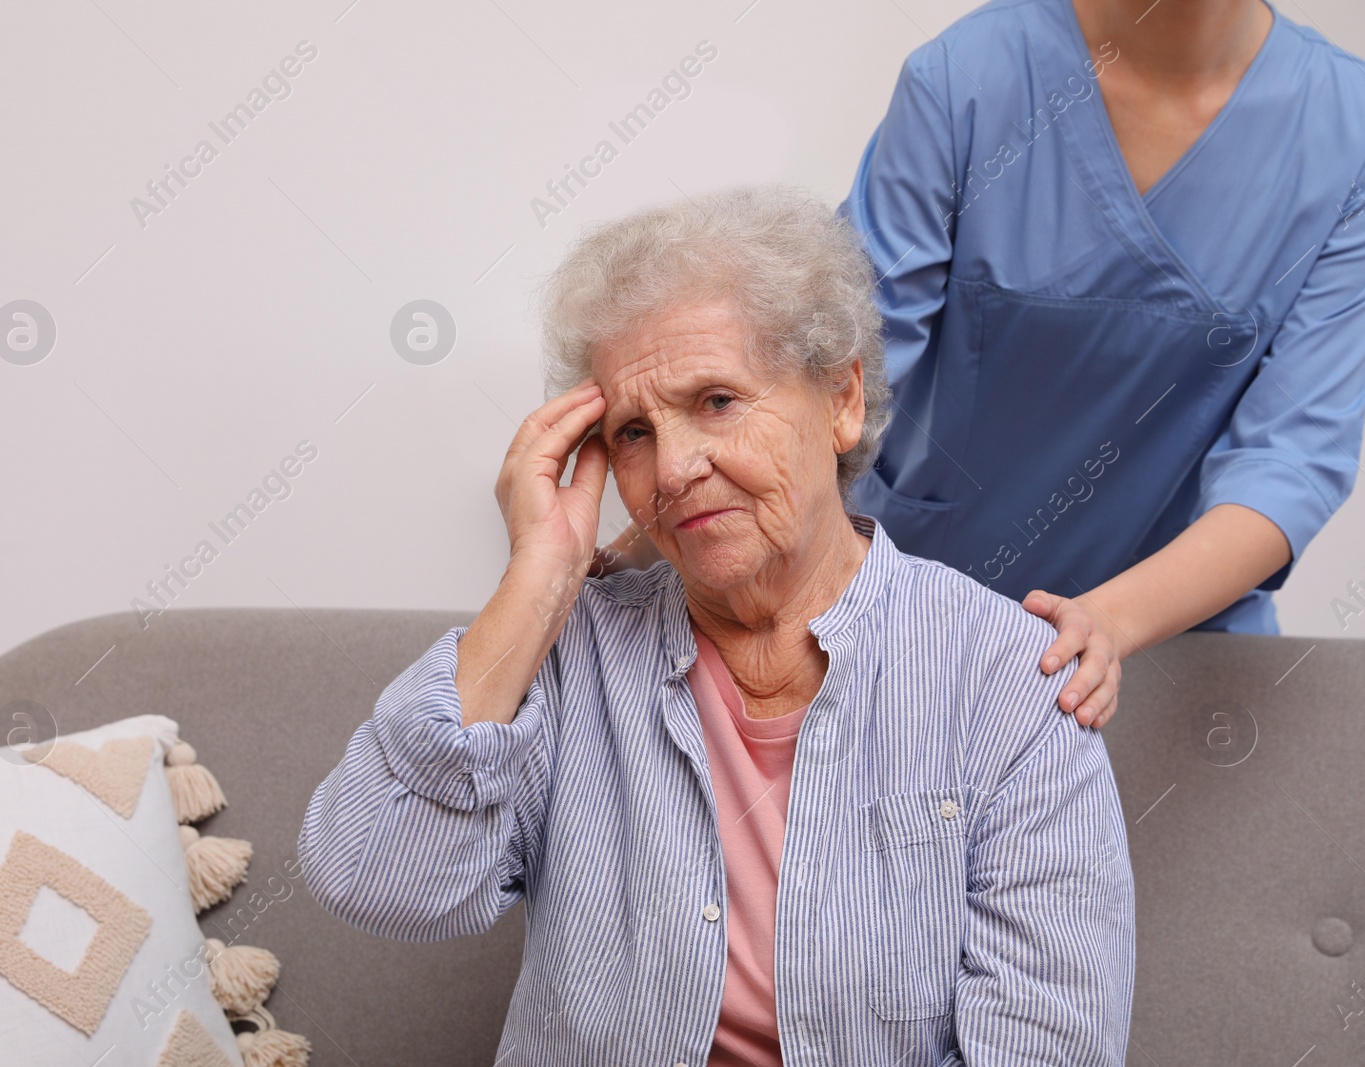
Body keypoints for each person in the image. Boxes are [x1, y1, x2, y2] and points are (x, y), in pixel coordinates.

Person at [300, 187, 1135, 1066]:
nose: (675, 468)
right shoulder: (566, 652)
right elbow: (377, 880)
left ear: (841, 398)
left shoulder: (1007, 676)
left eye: (717, 401)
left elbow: (1054, 1045)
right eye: (630, 432)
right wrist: (537, 582)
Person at [596, 0, 1365, 731]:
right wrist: (649, 527)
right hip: (921, 616)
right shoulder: (966, 79)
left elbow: (1294, 460)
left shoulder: (1364, 129)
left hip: (1175, 647)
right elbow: (830, 365)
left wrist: (1102, 627)